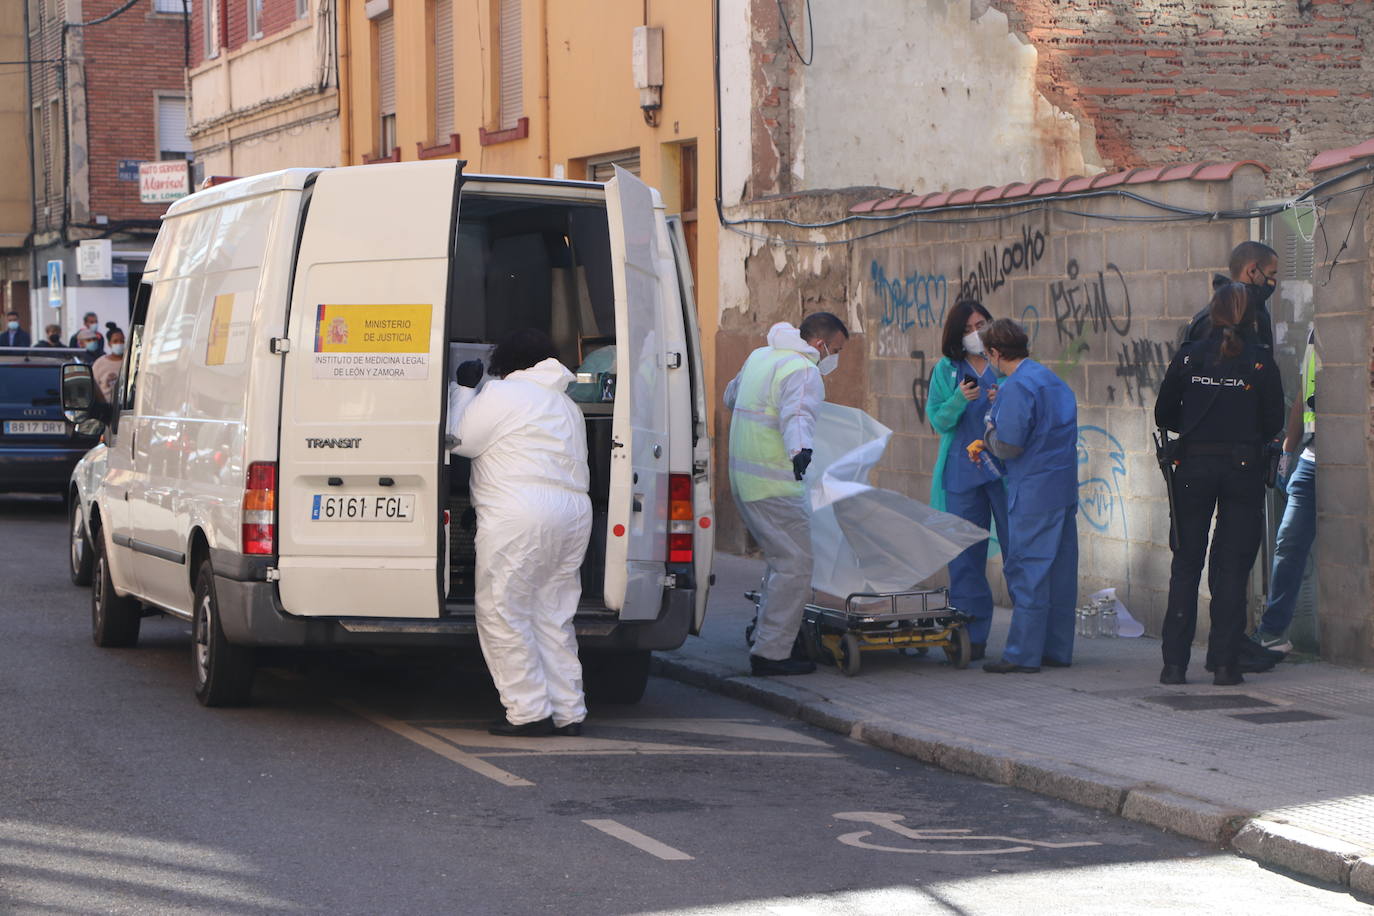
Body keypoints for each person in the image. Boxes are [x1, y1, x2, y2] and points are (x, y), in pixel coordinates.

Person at [446, 328, 592, 737]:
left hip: (520, 511)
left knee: (503, 611)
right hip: (572, 513)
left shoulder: (502, 395)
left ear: (503, 364)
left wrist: (463, 389)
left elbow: (459, 439)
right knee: (553, 615)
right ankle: (568, 710)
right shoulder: (566, 405)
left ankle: (528, 711)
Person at [1154, 283, 1285, 686]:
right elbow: (1273, 423)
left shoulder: (1190, 356)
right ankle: (1225, 665)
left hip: (1193, 466)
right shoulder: (1260, 362)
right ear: (1251, 319)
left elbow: (1165, 413)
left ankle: (1174, 666)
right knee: (1231, 570)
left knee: (1186, 564)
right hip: (1243, 469)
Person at [725, 311, 849, 676]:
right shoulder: (803, 370)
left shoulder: (760, 357)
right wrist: (801, 453)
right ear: (819, 343)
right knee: (795, 565)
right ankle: (772, 653)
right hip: (774, 484)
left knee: (782, 562)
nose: (834, 358)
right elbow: (798, 416)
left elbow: (730, 397)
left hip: (743, 480)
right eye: (836, 349)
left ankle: (772, 636)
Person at [974, 319, 1079, 674]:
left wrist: (988, 432)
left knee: (1029, 569)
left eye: (988, 354)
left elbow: (1008, 445)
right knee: (1060, 571)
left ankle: (1022, 654)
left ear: (996, 353)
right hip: (1061, 486)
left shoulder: (1017, 387)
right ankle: (1056, 649)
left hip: (1033, 490)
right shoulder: (1048, 379)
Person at [926, 299, 1006, 661]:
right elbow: (938, 421)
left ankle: (1027, 637)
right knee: (964, 557)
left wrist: (999, 397)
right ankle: (970, 637)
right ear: (957, 334)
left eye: (982, 324)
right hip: (962, 471)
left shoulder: (1004, 364)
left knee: (1018, 549)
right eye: (969, 328)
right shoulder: (947, 370)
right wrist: (960, 399)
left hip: (1003, 471)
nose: (977, 333)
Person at [1254, 327, 1320, 655]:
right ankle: (1273, 632)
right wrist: (1288, 451)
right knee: (1288, 542)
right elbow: (1302, 398)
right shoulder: (1316, 334)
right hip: (1311, 458)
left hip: (1349, 457)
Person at [1184, 241, 1278, 349]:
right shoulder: (1215, 319)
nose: (1273, 281)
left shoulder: (1256, 309)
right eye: (1271, 273)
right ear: (1252, 271)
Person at [91, 328, 126, 401]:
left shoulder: (130, 361)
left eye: (122, 341)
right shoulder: (100, 363)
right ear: (109, 343)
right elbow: (93, 387)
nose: (119, 344)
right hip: (106, 408)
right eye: (115, 341)